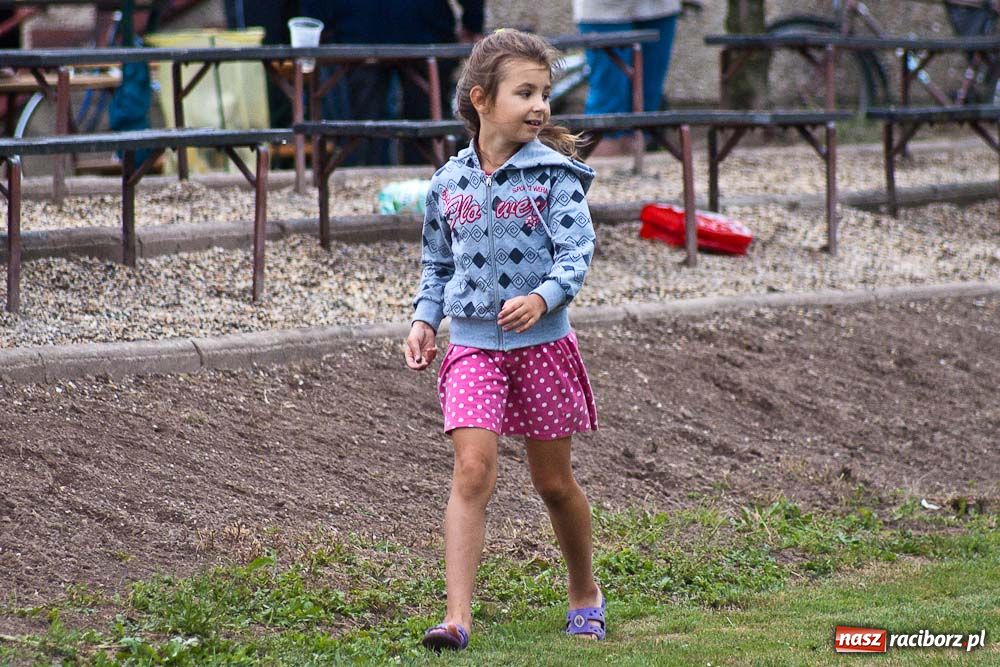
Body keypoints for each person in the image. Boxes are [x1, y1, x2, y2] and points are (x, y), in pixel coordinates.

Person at [404, 29, 603, 651]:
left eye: (545, 92)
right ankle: (457, 618)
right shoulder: (447, 184)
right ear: (482, 99)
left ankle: (584, 592)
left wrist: (544, 296)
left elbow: (577, 253)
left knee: (553, 484)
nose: (541, 105)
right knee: (471, 469)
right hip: (470, 349)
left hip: (543, 348)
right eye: (526, 92)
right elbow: (437, 265)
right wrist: (422, 319)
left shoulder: (555, 178)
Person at [299, 0, 484, 164]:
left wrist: (318, 23)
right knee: (427, 120)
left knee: (366, 125)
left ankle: (370, 176)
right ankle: (429, 179)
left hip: (361, 29)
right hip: (423, 27)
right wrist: (473, 23)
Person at [574, 0, 682, 155]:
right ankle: (601, 173)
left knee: (647, 107)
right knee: (607, 112)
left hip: (660, 7)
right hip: (604, 10)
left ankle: (636, 169)